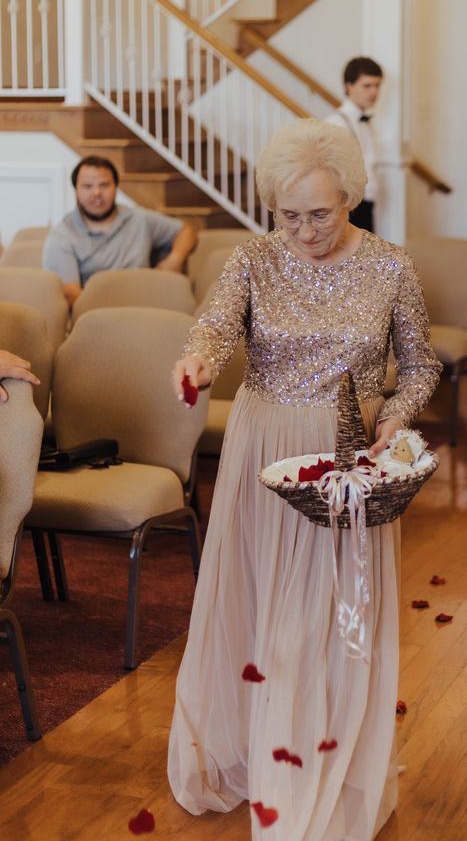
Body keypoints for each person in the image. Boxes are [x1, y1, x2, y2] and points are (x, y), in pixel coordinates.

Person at [167, 118, 440, 839]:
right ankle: (263, 749)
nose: (304, 230)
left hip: (345, 453)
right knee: (261, 603)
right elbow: (215, 328)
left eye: (319, 213)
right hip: (264, 447)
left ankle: (324, 755)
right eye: (289, 215)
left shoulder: (390, 266)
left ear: (350, 195)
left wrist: (396, 417)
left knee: (323, 613)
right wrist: (195, 362)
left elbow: (421, 366)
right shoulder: (254, 259)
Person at [42, 156, 197, 307]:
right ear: (76, 190)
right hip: (97, 315)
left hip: (149, 306)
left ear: (116, 187)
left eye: (104, 185)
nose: (96, 193)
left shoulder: (139, 219)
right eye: (87, 186)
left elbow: (186, 232)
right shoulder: (61, 236)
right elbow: (71, 294)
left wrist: (174, 259)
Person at [327, 56, 383, 232]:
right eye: (367, 85)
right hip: (350, 207)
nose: (373, 92)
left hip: (367, 203)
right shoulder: (335, 124)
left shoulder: (366, 121)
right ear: (349, 86)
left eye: (377, 85)